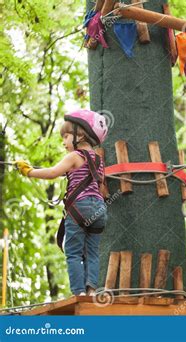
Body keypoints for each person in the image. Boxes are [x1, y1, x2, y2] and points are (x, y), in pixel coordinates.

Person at [15, 109, 108, 296]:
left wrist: (29, 172)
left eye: (65, 137)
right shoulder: (98, 160)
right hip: (99, 210)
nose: (63, 142)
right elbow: (100, 185)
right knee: (92, 252)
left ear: (79, 135)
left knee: (73, 253)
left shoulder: (74, 156)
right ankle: (91, 291)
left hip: (79, 208)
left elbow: (52, 172)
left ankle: (78, 293)